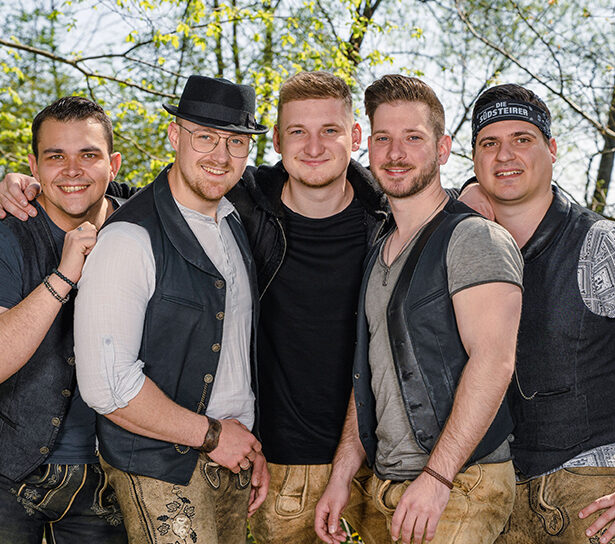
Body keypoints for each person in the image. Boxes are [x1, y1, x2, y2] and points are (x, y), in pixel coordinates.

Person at [315, 74, 524, 544]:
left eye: (413, 138)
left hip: (460, 484)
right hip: (387, 487)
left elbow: (494, 361)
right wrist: (342, 474)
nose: (395, 153)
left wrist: (437, 477)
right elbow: (370, 374)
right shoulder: (378, 250)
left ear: (443, 148)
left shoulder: (474, 238)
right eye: (383, 139)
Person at [73, 75, 268, 544]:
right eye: (205, 137)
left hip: (233, 458)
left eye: (236, 142)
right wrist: (214, 435)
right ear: (174, 136)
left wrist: (247, 443)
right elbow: (107, 386)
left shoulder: (233, 223)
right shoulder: (129, 238)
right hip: (159, 466)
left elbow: (234, 359)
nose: (221, 155)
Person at [467, 83, 615, 544]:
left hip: (591, 498)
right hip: (493, 503)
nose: (504, 155)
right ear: (474, 160)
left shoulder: (601, 245)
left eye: (522, 139)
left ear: (551, 149)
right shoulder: (463, 250)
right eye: (489, 143)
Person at [0, 96, 127, 543]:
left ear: (113, 164)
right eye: (56, 156)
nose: (72, 170)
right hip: (10, 470)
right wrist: (64, 274)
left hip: (113, 475)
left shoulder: (143, 224)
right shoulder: (9, 231)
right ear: (34, 167)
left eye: (88, 155)